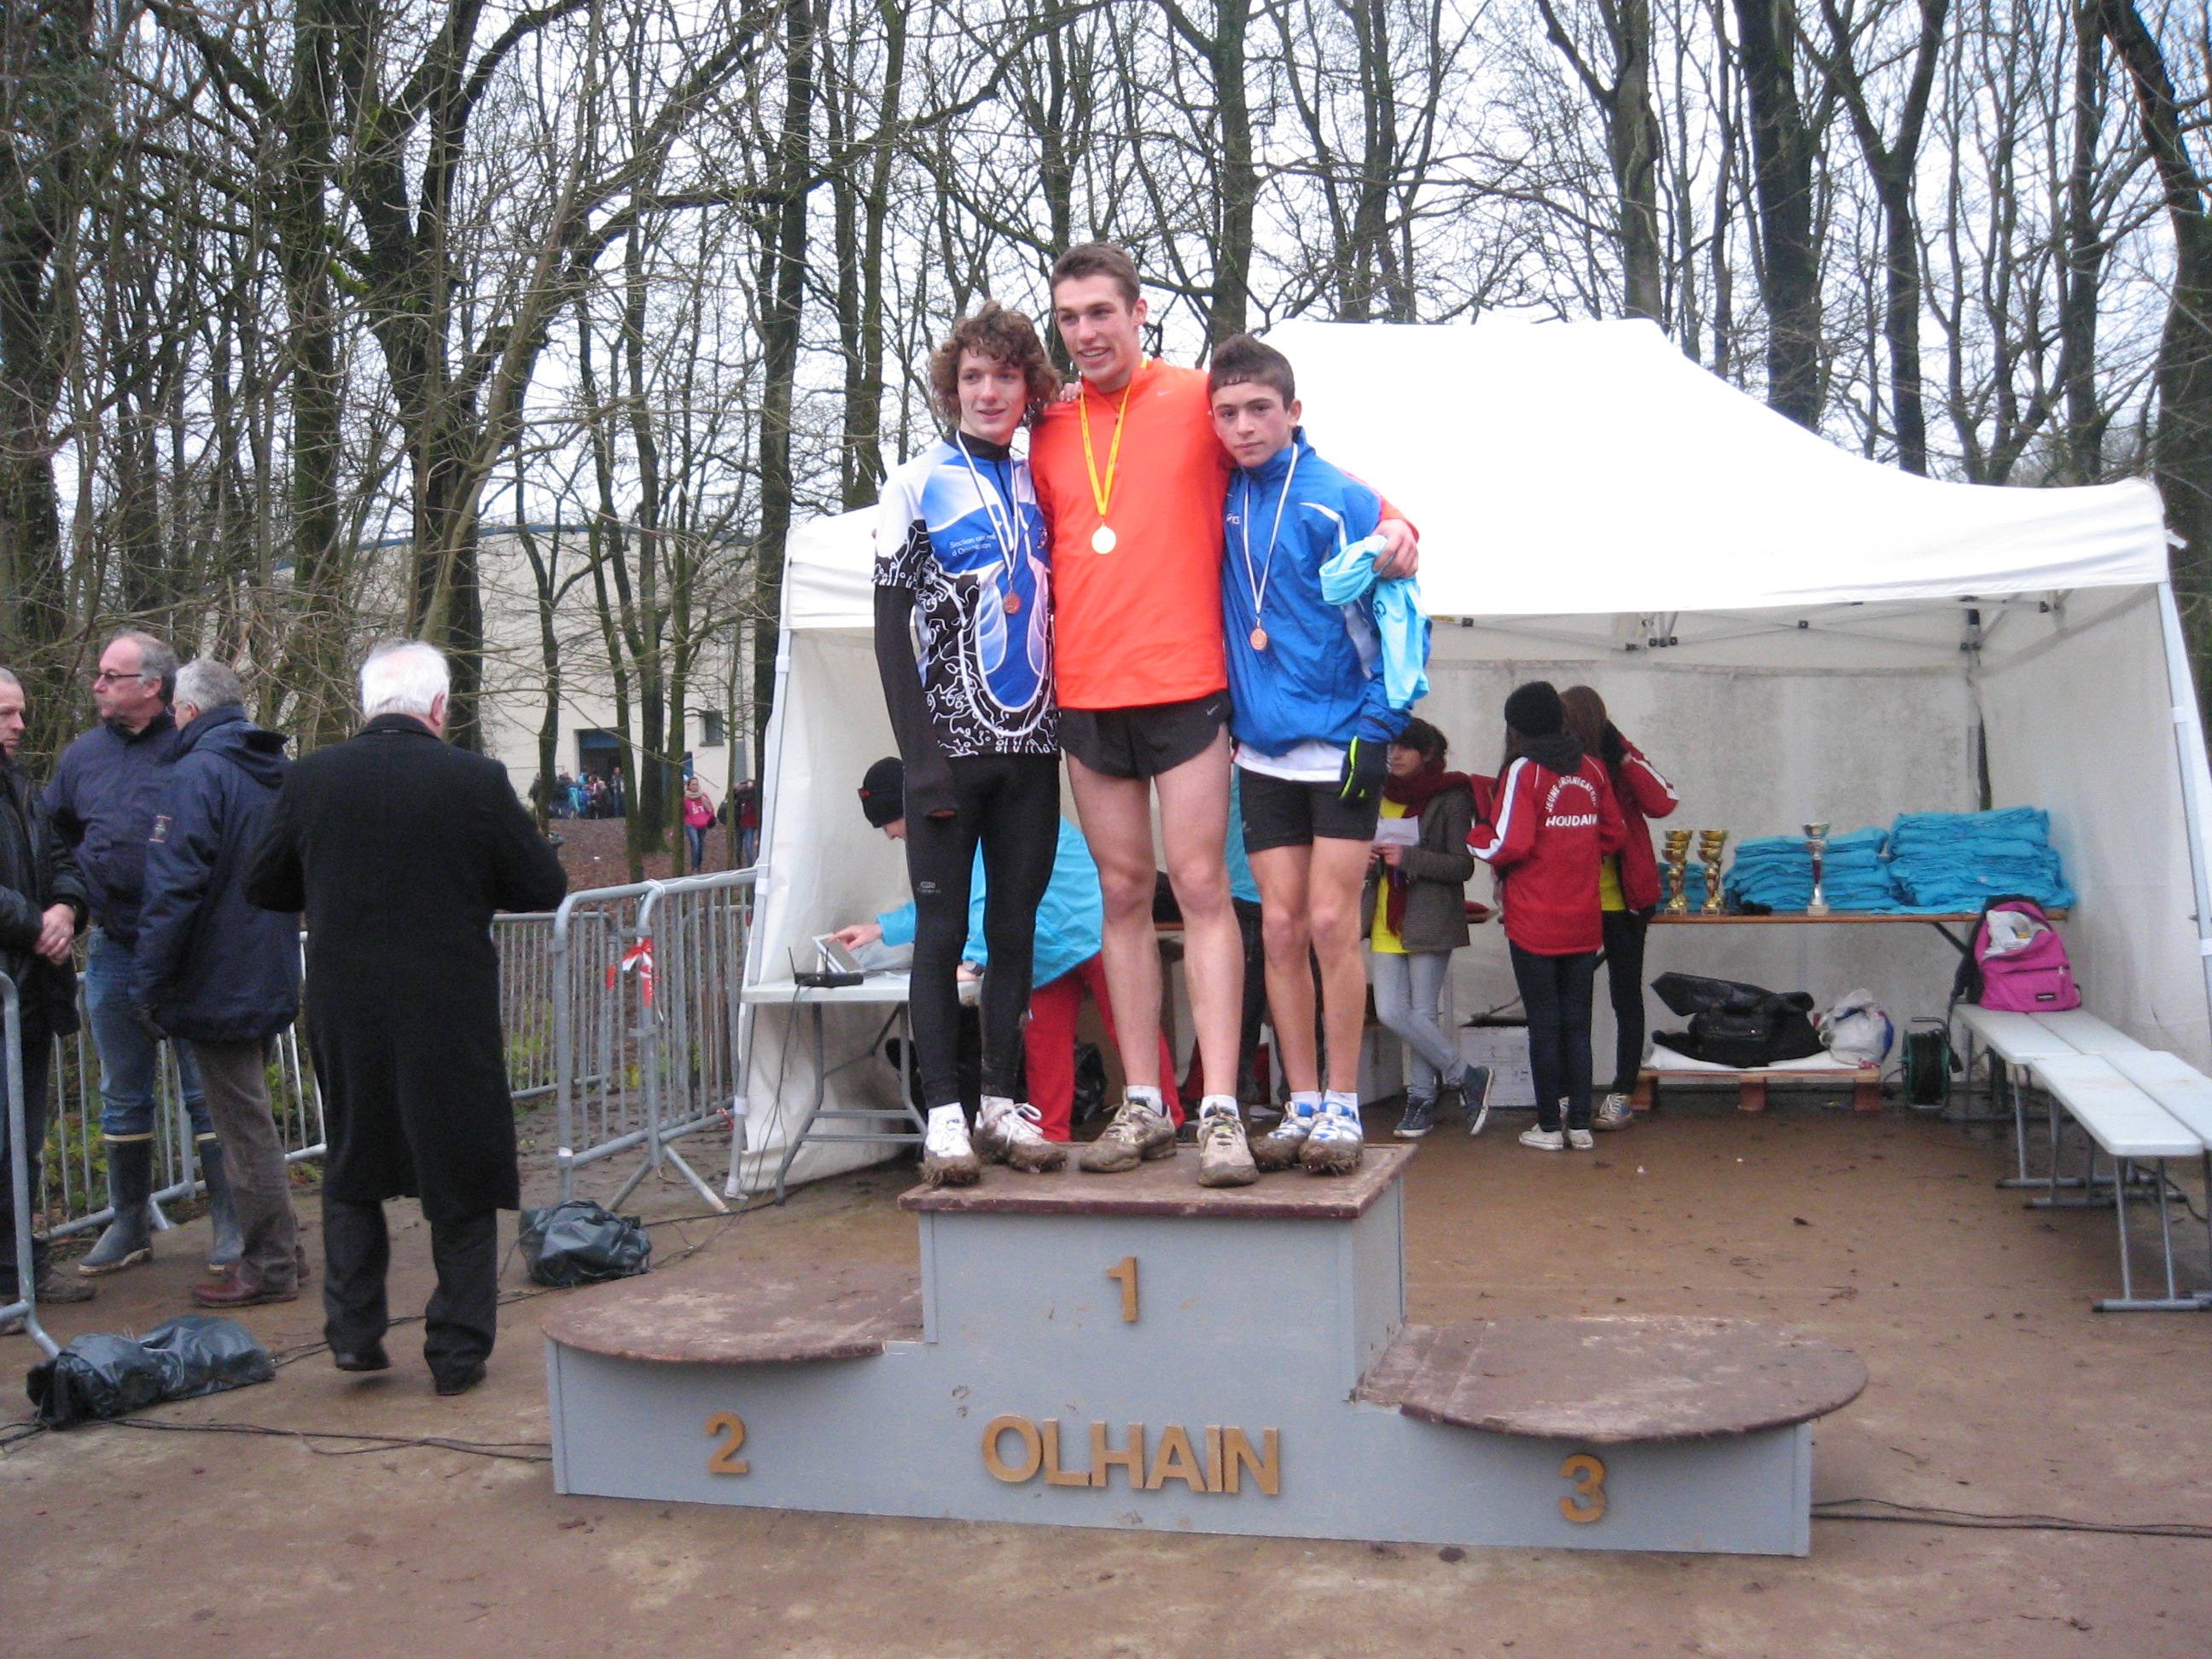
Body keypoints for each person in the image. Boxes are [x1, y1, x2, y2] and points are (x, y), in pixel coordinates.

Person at [1030, 244, 1420, 1176]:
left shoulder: (1203, 403)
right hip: (1086, 690)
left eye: (1101, 312)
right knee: (1123, 894)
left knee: (1204, 889)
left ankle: (1218, 1108)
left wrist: (1402, 529)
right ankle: (1142, 1102)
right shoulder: (1047, 424)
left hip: (1190, 687)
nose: (1086, 333)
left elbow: (1338, 490)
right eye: (1070, 317)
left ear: (1139, 312)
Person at [246, 641, 567, 1395]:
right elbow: (542, 885)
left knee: (354, 1160)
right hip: (446, 1003)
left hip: (344, 999)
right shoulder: (475, 780)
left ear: (367, 704)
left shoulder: (311, 778)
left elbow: (263, 883)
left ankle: (354, 1333)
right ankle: (456, 1352)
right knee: (461, 1166)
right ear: (439, 707)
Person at [1202, 334, 1428, 1179]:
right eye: (1228, 412)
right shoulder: (1220, 491)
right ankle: (1300, 1103)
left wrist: (1381, 726)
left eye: (1260, 409)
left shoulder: (1340, 497)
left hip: (1343, 744)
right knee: (1280, 928)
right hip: (1262, 751)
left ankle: (1342, 1104)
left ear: (1293, 412)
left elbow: (1405, 620)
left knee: (1334, 924)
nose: (1244, 426)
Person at [871, 305, 1067, 1186]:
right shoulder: (916, 483)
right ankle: (944, 1115)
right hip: (948, 750)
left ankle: (999, 1103)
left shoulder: (1042, 478)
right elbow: (890, 631)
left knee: (1015, 929)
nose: (989, 392)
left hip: (1033, 749)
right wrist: (919, 763)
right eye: (973, 377)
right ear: (952, 389)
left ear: (1030, 387)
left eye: (1006, 376)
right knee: (942, 935)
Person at [837, 761, 1179, 1144]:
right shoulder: (950, 827)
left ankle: (1171, 1121)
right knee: (1043, 1045)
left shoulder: (971, 819)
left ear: (911, 809)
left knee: (1131, 1028)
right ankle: (1050, 1137)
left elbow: (985, 891)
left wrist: (976, 962)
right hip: (1043, 947)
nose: (888, 834)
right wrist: (880, 929)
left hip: (1093, 927)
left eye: (889, 822)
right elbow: (948, 896)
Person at [48, 630, 230, 1280]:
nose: (96, 685)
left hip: (192, 951)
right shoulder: (81, 757)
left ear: (153, 686)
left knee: (207, 1090)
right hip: (116, 947)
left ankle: (230, 1218)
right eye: (98, 674)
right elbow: (55, 838)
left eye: (110, 675)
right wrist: (71, 901)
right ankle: (128, 1222)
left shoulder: (192, 748)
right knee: (122, 1093)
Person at [135, 659, 305, 1309]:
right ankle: (282, 1250)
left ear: (188, 711)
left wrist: (151, 982)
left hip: (216, 975)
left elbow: (174, 885)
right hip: (267, 964)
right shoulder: (272, 769)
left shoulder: (197, 773)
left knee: (242, 1127)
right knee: (252, 1118)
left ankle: (270, 1263)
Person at [1468, 682, 1625, 1152]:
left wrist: (1473, 837)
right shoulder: (1593, 767)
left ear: (1515, 727)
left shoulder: (1524, 770)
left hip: (1534, 918)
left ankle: (1549, 1128)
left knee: (1545, 1024)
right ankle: (1580, 1125)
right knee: (1577, 1024)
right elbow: (1614, 835)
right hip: (1583, 916)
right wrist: (1575, 852)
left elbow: (1507, 843)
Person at [0, 668, 93, 1334]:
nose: (20, 725)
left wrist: (64, 909)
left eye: (21, 711)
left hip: (27, 996)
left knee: (23, 1142)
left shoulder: (24, 789)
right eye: (6, 714)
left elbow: (63, 859)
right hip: (12, 980)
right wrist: (36, 925)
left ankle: (21, 1271)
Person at [1363, 717, 1492, 1140]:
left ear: (1428, 753)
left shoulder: (1450, 797)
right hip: (1384, 914)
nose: (1395, 755)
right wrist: (1366, 859)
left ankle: (1420, 1099)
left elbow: (1462, 865)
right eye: (1391, 747)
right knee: (1390, 1010)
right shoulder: (1377, 791)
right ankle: (1466, 1075)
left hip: (1429, 914)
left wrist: (1410, 858)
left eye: (1405, 747)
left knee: (1421, 1012)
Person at [1560, 685, 1679, 1132]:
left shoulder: (1620, 757)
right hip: (1574, 900)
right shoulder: (1557, 761)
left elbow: (1663, 802)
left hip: (1625, 901)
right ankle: (1572, 1094)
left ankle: (1622, 1092)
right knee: (1574, 1001)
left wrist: (1623, 753)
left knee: (1624, 996)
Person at [682, 775, 715, 870]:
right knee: (695, 844)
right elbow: (683, 813)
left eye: (696, 784)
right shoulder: (685, 799)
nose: (695, 786)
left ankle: (699, 866)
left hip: (702, 824)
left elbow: (710, 809)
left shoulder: (703, 796)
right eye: (693, 784)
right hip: (691, 824)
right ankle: (694, 867)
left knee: (700, 846)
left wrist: (707, 819)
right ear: (689, 786)